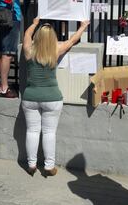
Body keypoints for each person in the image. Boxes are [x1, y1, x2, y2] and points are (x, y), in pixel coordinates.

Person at [21, 17, 90, 176]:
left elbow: (26, 35)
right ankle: (48, 167)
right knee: (49, 132)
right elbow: (73, 39)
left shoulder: (28, 50)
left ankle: (31, 165)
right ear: (53, 38)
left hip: (30, 97)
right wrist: (83, 26)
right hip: (52, 98)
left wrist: (34, 23)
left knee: (32, 131)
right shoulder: (55, 50)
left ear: (37, 37)